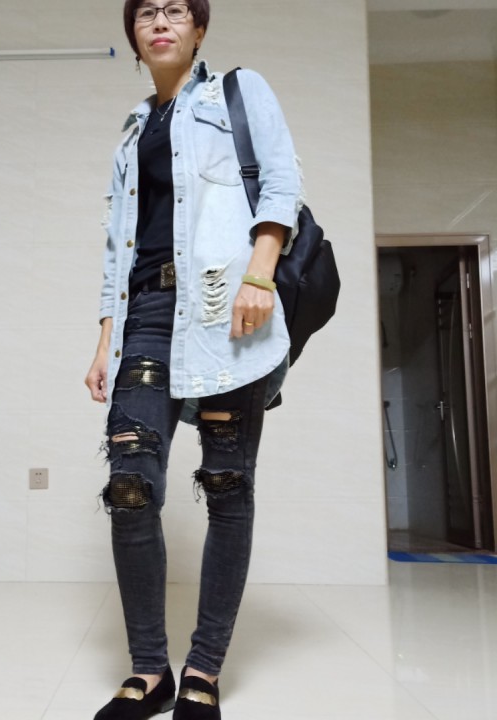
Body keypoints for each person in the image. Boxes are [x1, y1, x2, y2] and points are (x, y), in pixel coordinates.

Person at [84, 1, 302, 718]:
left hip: (221, 310)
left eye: (176, 9)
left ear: (198, 29)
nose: (161, 21)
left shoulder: (238, 92)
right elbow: (118, 248)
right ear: (134, 35)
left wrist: (260, 274)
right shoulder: (131, 133)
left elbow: (281, 181)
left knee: (226, 484)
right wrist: (106, 338)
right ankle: (150, 670)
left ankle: (204, 668)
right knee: (130, 484)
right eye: (147, 12)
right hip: (146, 315)